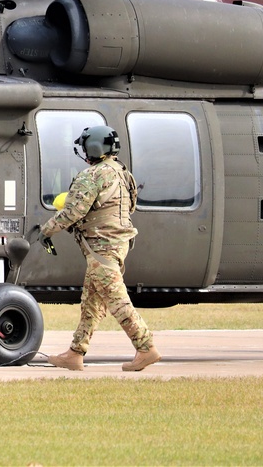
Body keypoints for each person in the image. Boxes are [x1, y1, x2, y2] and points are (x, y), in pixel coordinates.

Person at [38, 125, 161, 372]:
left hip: (101, 249)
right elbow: (128, 208)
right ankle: (75, 353)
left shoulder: (92, 175)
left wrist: (46, 230)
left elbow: (73, 212)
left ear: (93, 148)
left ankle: (146, 347)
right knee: (92, 302)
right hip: (118, 244)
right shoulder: (123, 173)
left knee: (116, 298)